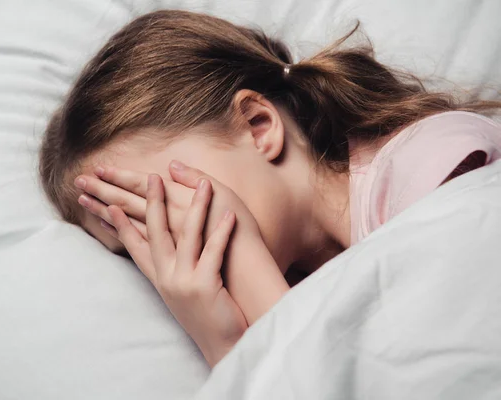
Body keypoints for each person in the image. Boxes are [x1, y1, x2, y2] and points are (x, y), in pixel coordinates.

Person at [39, 10, 501, 366]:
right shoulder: (296, 291)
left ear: (258, 126)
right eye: (137, 244)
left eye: (166, 205)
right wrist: (226, 345)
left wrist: (249, 305)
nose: (168, 254)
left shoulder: (434, 164)